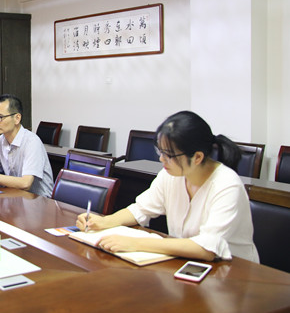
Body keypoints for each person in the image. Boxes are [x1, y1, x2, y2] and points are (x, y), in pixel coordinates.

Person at [76, 110, 259, 263]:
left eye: (169, 155)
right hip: (186, 263)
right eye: (160, 151)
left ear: (197, 157)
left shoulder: (227, 185)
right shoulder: (171, 174)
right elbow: (141, 209)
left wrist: (135, 243)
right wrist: (104, 222)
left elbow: (206, 248)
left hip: (233, 271)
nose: (161, 159)